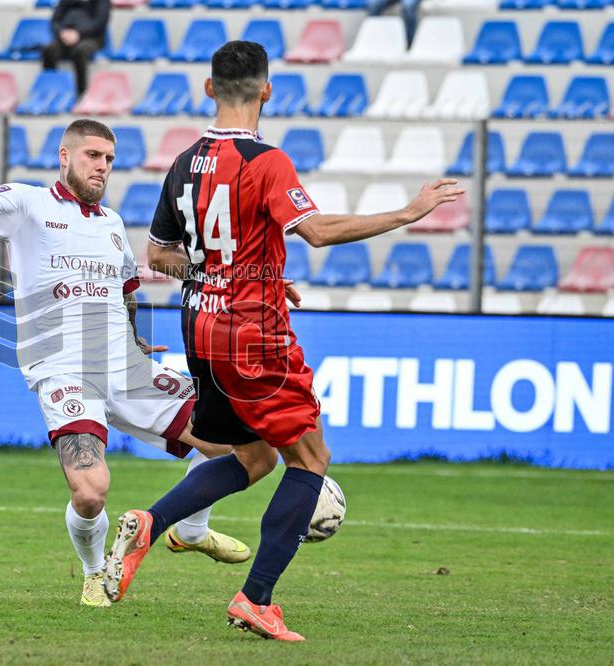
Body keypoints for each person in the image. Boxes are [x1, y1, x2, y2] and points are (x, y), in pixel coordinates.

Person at [102, 41, 462, 639]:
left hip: (200, 324)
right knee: (311, 459)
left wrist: (237, 274)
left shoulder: (184, 162)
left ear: (208, 88)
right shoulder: (268, 161)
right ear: (268, 91)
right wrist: (406, 212)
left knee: (253, 455)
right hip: (252, 333)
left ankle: (150, 521)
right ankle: (256, 598)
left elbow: (159, 255)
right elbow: (317, 232)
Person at [0, 119, 288, 608]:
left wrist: (136, 342)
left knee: (242, 446)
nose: (102, 166)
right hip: (62, 369)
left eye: (108, 159)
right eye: (92, 156)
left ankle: (190, 531)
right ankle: (94, 569)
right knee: (91, 492)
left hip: (126, 368)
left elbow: (124, 294)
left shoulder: (112, 224)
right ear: (65, 156)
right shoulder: (28, 204)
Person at [41, 0, 110, 97]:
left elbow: (100, 21)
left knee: (80, 51)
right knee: (49, 50)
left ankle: (82, 95)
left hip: (91, 38)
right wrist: (62, 32)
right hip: (64, 37)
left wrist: (79, 33)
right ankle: (49, 92)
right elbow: (55, 21)